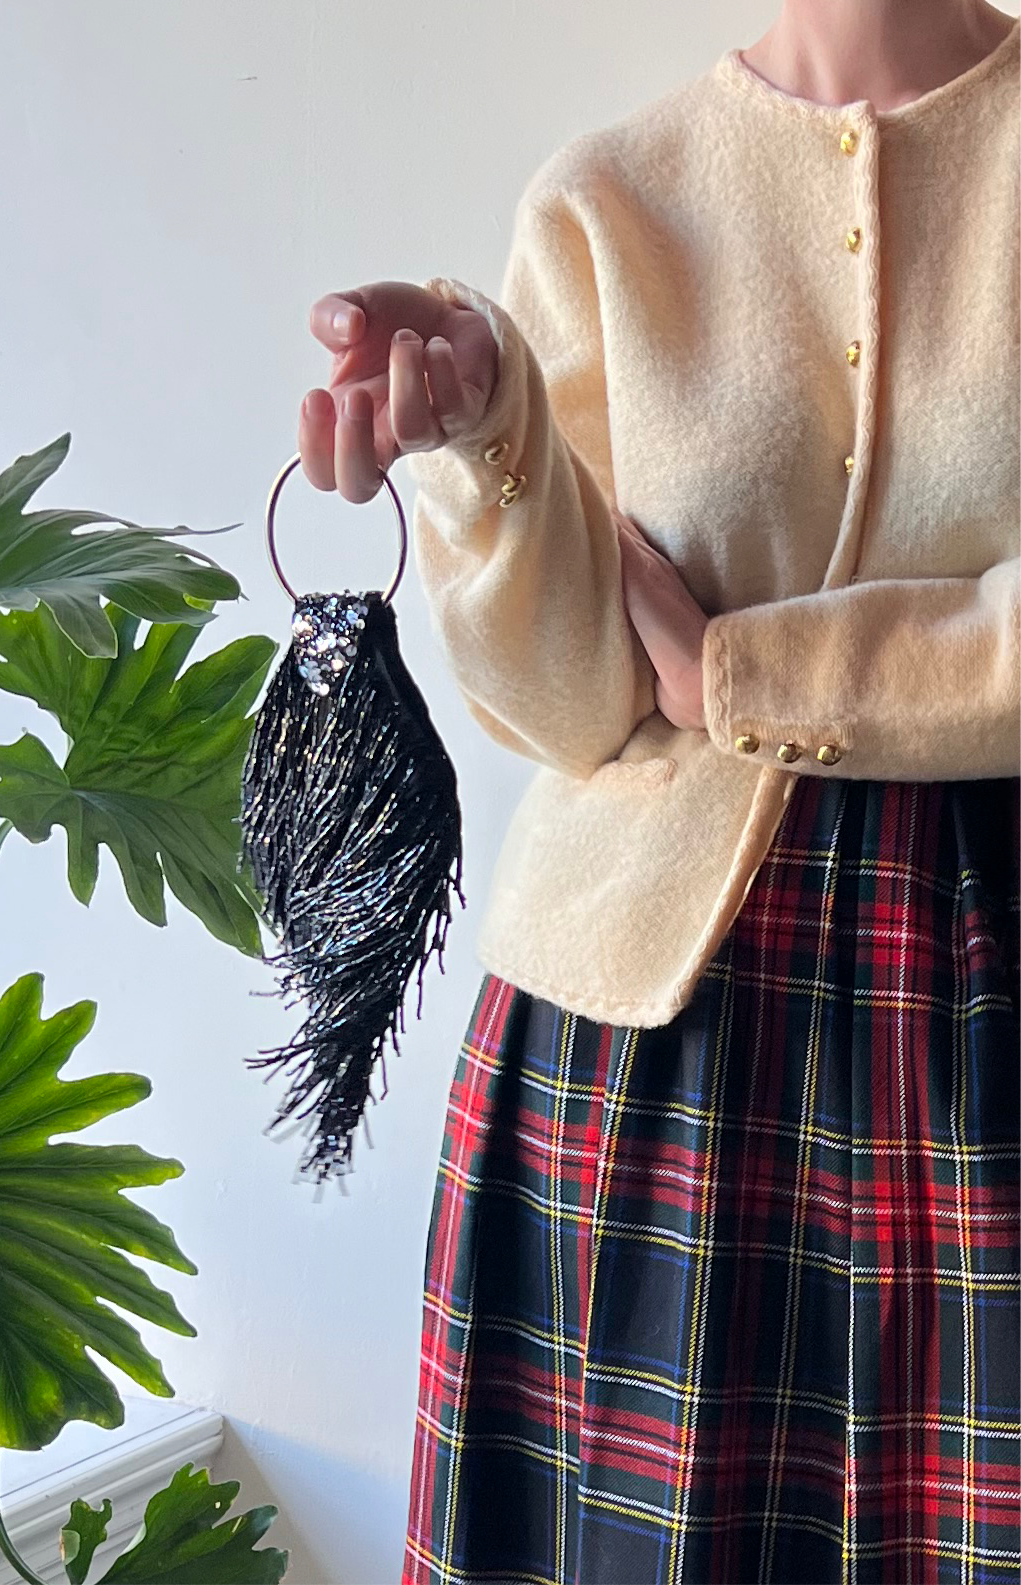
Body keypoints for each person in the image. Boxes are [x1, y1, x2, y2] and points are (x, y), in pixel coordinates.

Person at [299, 1, 1021, 1579]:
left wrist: (738, 676)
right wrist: (497, 437)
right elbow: (570, 707)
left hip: (983, 999)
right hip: (652, 1043)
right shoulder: (608, 199)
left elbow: (692, 676)